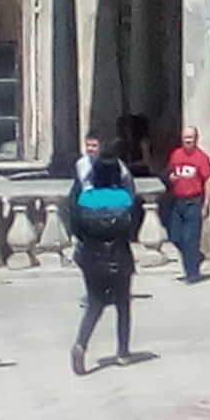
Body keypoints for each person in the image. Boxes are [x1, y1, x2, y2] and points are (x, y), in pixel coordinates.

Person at [65, 151, 145, 375]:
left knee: (95, 303)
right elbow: (133, 228)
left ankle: (81, 343)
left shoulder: (84, 199)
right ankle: (122, 352)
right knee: (123, 304)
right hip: (119, 256)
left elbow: (76, 228)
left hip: (91, 257)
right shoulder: (126, 199)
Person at [162, 126, 210, 283]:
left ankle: (192, 273)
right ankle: (196, 257)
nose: (188, 141)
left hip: (194, 200)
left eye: (190, 138)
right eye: (185, 137)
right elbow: (169, 172)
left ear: (196, 139)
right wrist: (170, 177)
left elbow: (209, 181)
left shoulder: (201, 157)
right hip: (178, 200)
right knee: (175, 236)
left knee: (190, 238)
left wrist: (206, 205)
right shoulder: (176, 154)